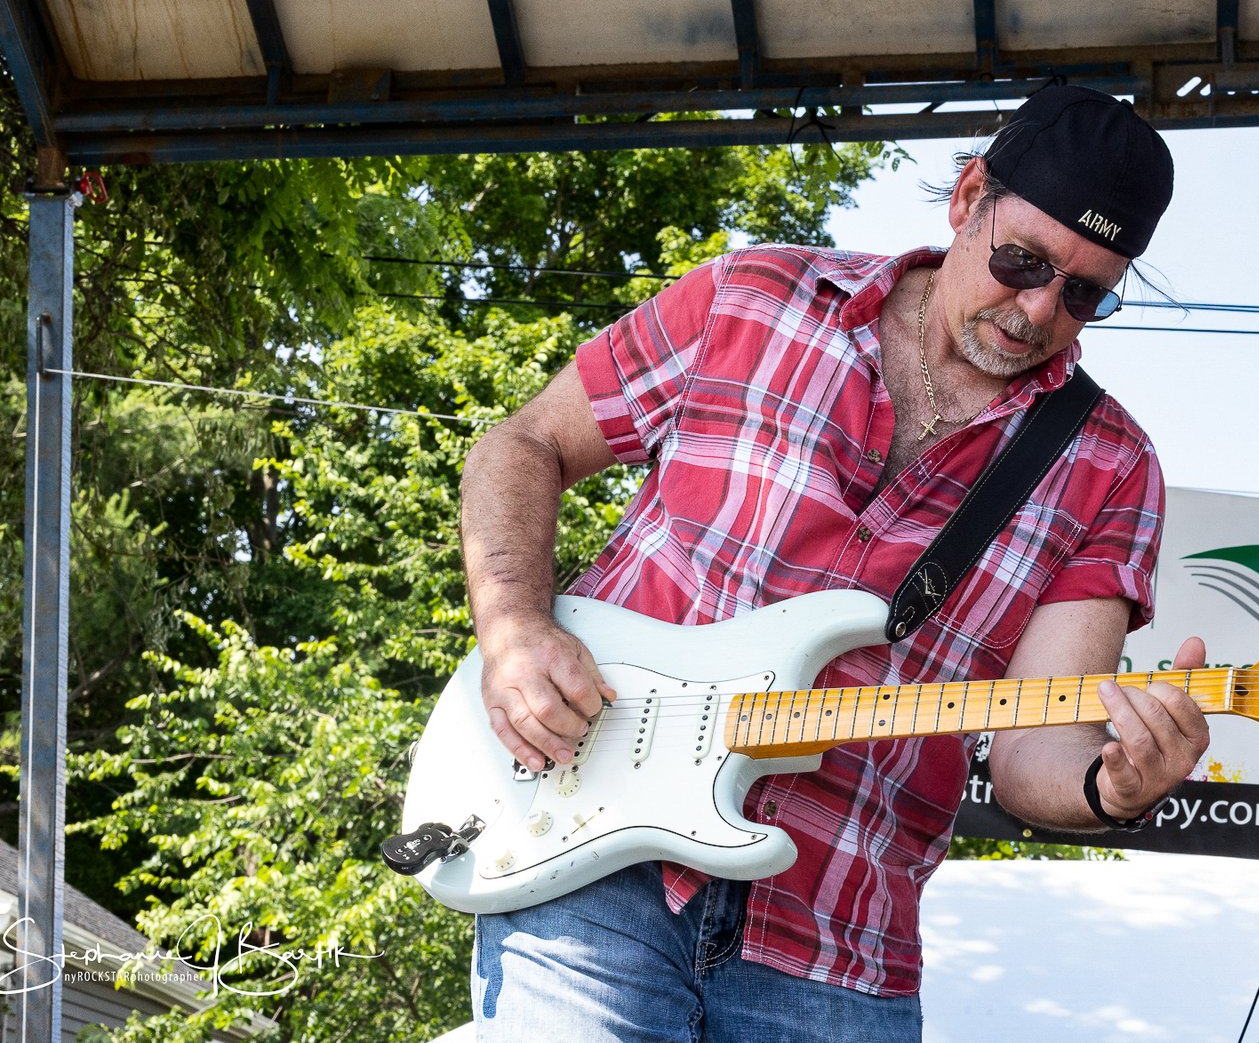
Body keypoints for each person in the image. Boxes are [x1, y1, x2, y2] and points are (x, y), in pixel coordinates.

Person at [457, 84, 1211, 1042]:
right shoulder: (753, 296)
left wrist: (1111, 786)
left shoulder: (1111, 465)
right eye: (1022, 261)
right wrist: (514, 628)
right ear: (967, 197)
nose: (1036, 309)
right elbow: (524, 444)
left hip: (840, 943)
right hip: (589, 857)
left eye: (1082, 295)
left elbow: (1035, 746)